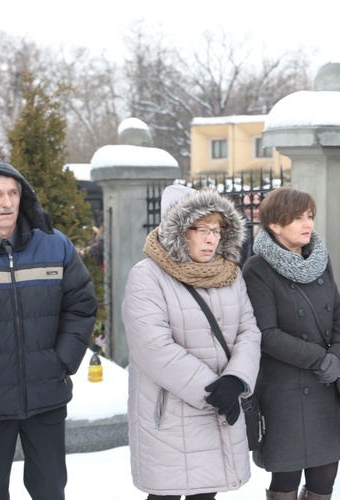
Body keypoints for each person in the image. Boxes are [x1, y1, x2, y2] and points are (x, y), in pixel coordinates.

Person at [0, 159, 98, 500]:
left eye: (13, 193)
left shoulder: (56, 246)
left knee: (50, 489)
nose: (7, 202)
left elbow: (81, 306)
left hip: (46, 396)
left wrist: (61, 362)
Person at [122, 184, 261, 500]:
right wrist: (215, 390)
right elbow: (152, 346)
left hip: (219, 409)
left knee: (205, 494)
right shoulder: (148, 275)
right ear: (177, 229)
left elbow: (249, 331)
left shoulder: (230, 274)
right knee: (166, 495)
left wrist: (236, 380)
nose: (212, 238)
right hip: (170, 414)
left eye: (217, 229)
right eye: (201, 229)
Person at [242, 187, 340, 500]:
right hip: (285, 390)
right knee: (286, 477)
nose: (308, 224)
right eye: (298, 218)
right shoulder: (257, 269)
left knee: (325, 476)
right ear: (275, 225)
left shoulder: (319, 261)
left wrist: (339, 358)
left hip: (325, 385)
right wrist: (320, 359)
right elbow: (266, 333)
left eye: (310, 216)